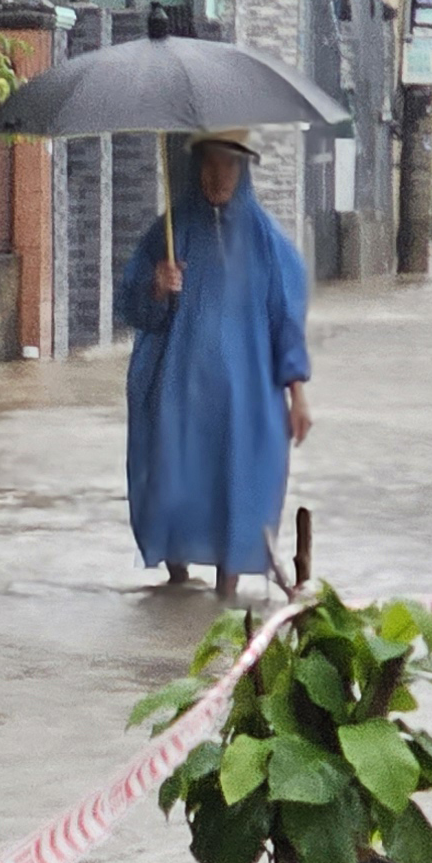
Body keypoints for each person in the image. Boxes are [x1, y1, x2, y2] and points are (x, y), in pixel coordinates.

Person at [120, 130, 312, 597]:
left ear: (243, 169)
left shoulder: (268, 242)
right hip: (177, 391)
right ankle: (177, 581)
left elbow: (285, 321)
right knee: (173, 479)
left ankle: (227, 589)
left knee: (239, 483)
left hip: (245, 398)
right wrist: (157, 286)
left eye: (228, 164)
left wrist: (298, 396)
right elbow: (135, 308)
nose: (217, 174)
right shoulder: (170, 231)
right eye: (209, 162)